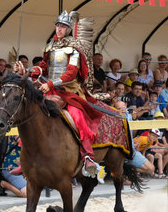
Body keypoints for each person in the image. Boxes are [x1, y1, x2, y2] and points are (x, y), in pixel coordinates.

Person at [16, 10, 104, 179]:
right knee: (29, 114)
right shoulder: (50, 46)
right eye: (58, 25)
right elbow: (43, 67)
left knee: (77, 117)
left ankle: (87, 157)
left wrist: (49, 83)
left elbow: (71, 73)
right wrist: (27, 70)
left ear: (68, 29)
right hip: (49, 89)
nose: (59, 29)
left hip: (69, 91)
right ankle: (25, 158)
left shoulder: (74, 49)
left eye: (63, 26)